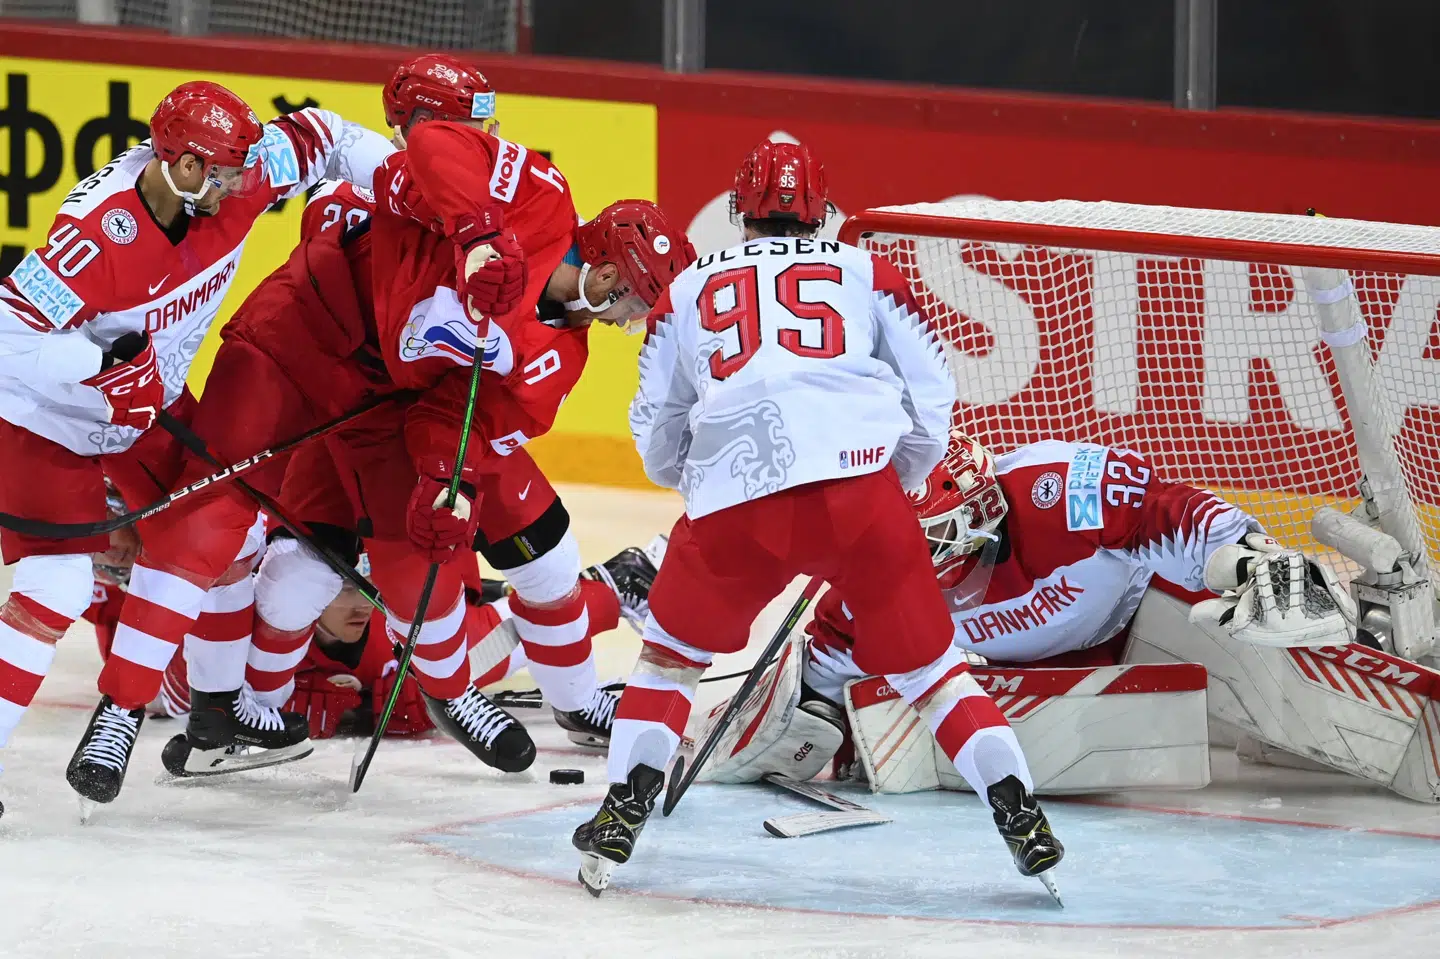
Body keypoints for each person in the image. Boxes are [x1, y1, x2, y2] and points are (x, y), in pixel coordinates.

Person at [572, 138, 1063, 898]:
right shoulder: (870, 272)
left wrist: (700, 485)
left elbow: (655, 430)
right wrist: (889, 479)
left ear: (739, 209)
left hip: (734, 505)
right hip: (859, 498)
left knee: (668, 662)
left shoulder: (687, 288)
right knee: (934, 675)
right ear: (821, 207)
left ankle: (620, 812)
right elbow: (932, 397)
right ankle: (1019, 812)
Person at [0, 79, 393, 808]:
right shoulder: (93, 237)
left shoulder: (230, 167)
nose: (246, 186)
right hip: (43, 418)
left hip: (146, 409)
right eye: (227, 175)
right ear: (183, 168)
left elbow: (327, 135)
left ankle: (217, 715)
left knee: (234, 535)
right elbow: (6, 337)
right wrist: (106, 373)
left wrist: (401, 185)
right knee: (55, 587)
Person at [244, 190, 695, 775]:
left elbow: (474, 423)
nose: (623, 323)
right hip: (357, 414)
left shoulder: (564, 353)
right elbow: (427, 171)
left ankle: (577, 697)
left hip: (443, 445)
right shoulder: (521, 225)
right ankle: (248, 709)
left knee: (548, 561)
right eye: (631, 303)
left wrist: (446, 473)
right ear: (607, 272)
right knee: (298, 578)